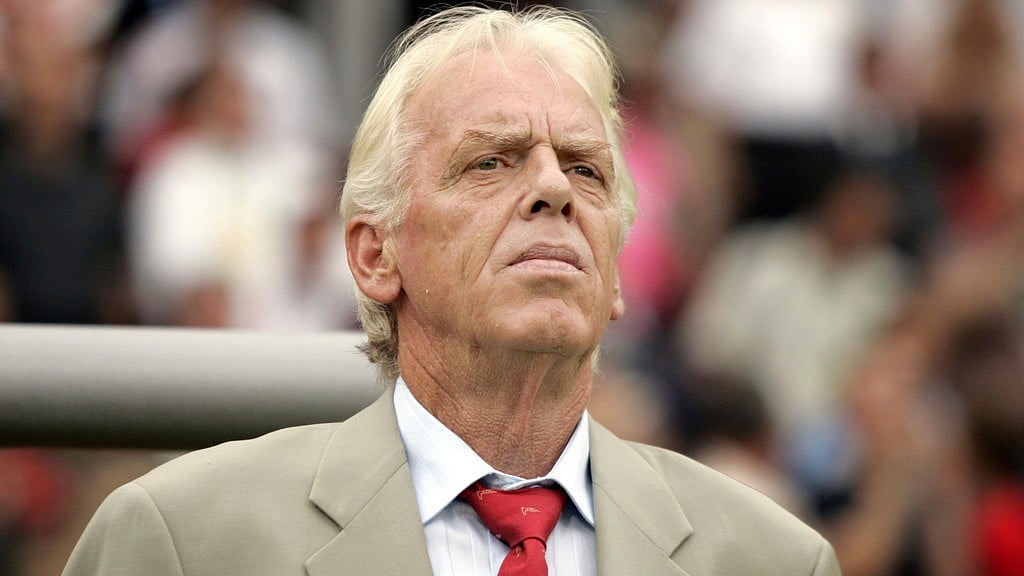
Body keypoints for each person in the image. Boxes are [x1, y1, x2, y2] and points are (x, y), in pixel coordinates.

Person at [61, 6, 841, 575]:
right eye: (491, 162)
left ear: (614, 276)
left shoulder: (773, 557)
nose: (552, 190)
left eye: (585, 169)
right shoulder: (183, 541)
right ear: (374, 257)